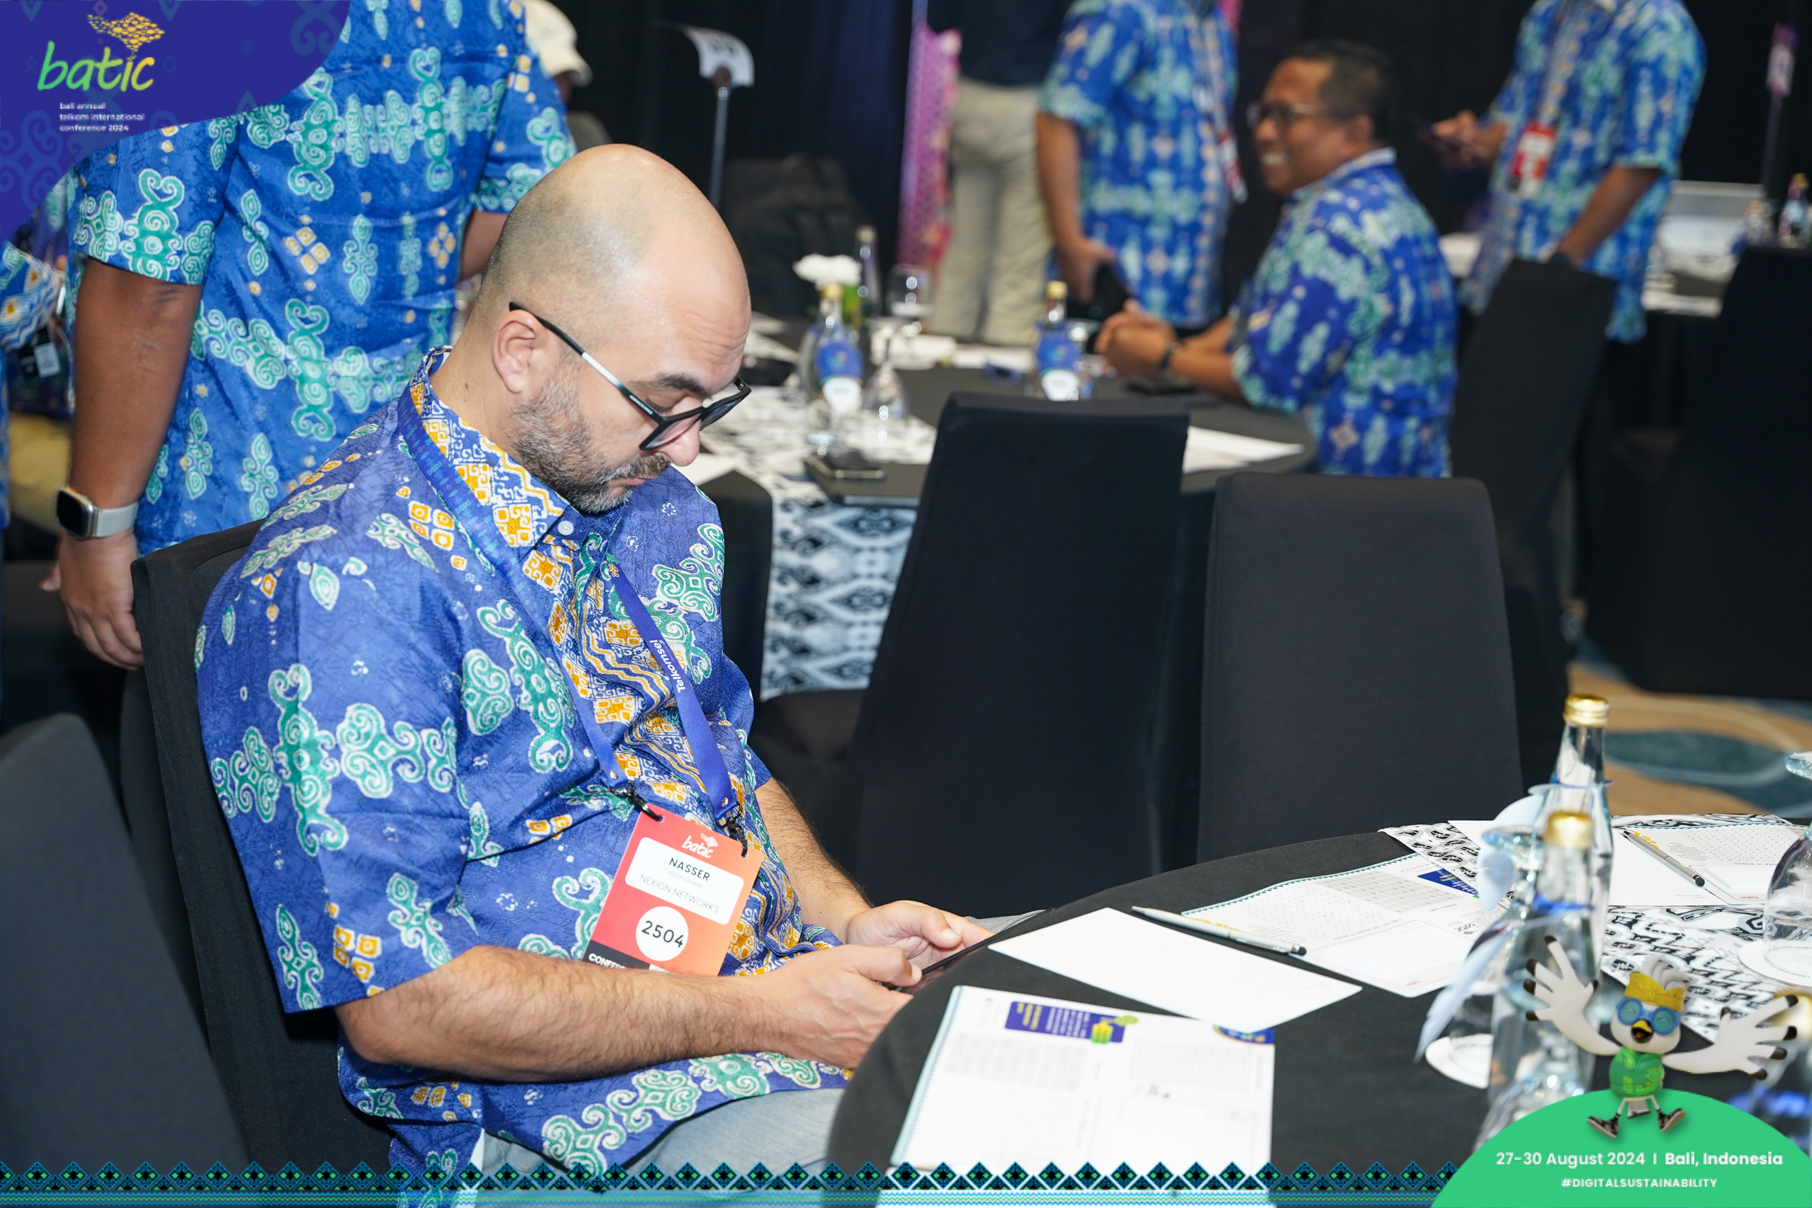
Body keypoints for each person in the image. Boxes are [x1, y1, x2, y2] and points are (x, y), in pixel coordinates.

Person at [196, 145, 989, 1177]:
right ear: (523, 349)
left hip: (759, 1007)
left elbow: (723, 758)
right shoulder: (347, 585)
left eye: (712, 405)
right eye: (663, 403)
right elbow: (401, 1002)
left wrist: (843, 920)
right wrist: (766, 1012)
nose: (689, 448)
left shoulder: (647, 506)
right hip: (579, 1124)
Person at [53, 1, 574, 670]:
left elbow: (147, 278)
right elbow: (535, 200)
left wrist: (96, 523)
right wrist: (385, 272)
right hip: (412, 468)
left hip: (229, 501)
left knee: (205, 725)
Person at [1100, 41, 1457, 477]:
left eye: (1287, 116)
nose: (1264, 133)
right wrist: (1173, 346)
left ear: (1354, 134)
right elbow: (1260, 320)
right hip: (1402, 485)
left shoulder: (1339, 230)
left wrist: (1161, 357)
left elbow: (1267, 383)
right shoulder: (1373, 199)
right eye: (1263, 113)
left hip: (1348, 494)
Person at [1431, 0, 1704, 344]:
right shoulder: (1549, 12)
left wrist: (1560, 266)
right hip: (1499, 277)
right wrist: (1471, 144)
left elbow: (1641, 166)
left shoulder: (1660, 28)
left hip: (1577, 293)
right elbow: (1511, 122)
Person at [1036, 0, 1242, 326]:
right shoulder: (1120, 10)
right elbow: (1058, 118)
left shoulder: (1210, 19)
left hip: (1190, 282)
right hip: (1117, 274)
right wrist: (1068, 241)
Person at [924, 0, 1072, 346]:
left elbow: (937, 18)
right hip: (1027, 105)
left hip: (970, 100)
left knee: (962, 258)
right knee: (1018, 273)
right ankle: (1003, 370)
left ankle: (940, 358)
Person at [523, 0, 610, 151]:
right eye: (543, 78)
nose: (558, 92)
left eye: (564, 77)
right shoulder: (482, 144)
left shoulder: (584, 134)